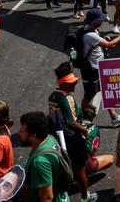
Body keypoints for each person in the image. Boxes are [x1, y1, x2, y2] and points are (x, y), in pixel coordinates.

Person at [49, 62, 94, 201]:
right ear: (62, 84)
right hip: (73, 139)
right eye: (70, 84)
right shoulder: (66, 98)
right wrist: (84, 130)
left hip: (58, 137)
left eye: (74, 82)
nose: (74, 85)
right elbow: (71, 122)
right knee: (80, 169)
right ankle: (85, 196)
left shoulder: (53, 95)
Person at [79, 9, 120, 127]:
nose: (103, 20)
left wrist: (104, 40)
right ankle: (81, 118)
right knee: (88, 95)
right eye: (101, 19)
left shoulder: (91, 29)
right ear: (96, 21)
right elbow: (110, 45)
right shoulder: (90, 34)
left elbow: (103, 44)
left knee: (107, 91)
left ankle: (114, 117)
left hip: (98, 68)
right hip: (92, 70)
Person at [18, 111, 70, 202]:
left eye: (22, 131)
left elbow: (47, 198)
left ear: (34, 136)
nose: (18, 132)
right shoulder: (49, 138)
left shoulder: (40, 162)